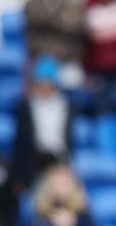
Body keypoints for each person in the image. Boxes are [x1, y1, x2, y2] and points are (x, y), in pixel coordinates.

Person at [11, 56, 75, 194]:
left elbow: (68, 139)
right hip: (34, 163)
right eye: (40, 81)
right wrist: (19, 176)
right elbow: (20, 141)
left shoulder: (65, 106)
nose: (44, 85)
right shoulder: (26, 107)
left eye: (47, 81)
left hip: (59, 161)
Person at [23, 0, 85, 87]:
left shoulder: (65, 2)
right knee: (44, 78)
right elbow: (37, 28)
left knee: (76, 83)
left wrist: (54, 20)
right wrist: (62, 20)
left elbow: (77, 26)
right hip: (44, 58)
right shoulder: (32, 4)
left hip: (67, 59)